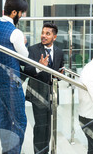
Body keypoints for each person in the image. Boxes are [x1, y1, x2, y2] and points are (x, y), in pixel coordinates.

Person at [0, 0, 29, 154]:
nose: (22, 16)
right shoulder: (16, 33)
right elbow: (25, 56)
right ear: (14, 12)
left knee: (3, 117)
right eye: (21, 13)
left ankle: (6, 150)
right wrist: (23, 42)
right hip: (12, 81)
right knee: (20, 121)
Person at [23, 22, 64, 154]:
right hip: (38, 93)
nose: (43, 36)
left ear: (54, 37)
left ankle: (47, 150)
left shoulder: (59, 52)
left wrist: (60, 76)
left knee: (49, 125)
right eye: (42, 33)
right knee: (41, 126)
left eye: (48, 33)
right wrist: (39, 67)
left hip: (53, 94)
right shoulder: (33, 50)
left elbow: (59, 71)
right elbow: (27, 71)